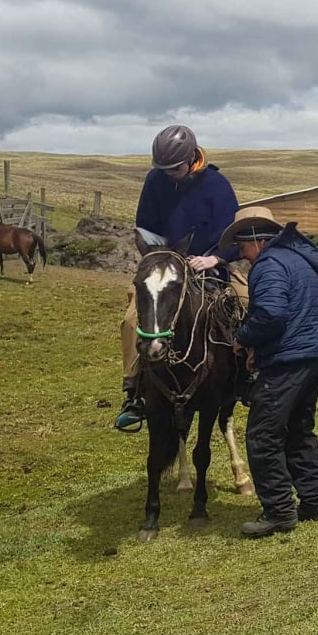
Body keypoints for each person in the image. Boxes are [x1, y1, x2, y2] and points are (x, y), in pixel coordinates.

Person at [116, 125, 241, 431]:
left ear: (191, 158)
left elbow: (235, 234)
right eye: (163, 168)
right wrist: (158, 257)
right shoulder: (155, 180)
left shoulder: (217, 184)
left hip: (210, 266)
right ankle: (133, 390)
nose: (169, 173)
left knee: (245, 299)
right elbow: (145, 227)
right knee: (132, 319)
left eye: (174, 167)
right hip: (166, 265)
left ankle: (247, 377)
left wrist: (215, 258)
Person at [225, 206, 318, 537]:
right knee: (300, 429)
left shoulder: (269, 265)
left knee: (263, 436)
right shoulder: (298, 260)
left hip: (287, 359)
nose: (242, 256)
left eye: (242, 247)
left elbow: (271, 314)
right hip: (312, 354)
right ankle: (315, 503)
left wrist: (243, 339)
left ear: (257, 240)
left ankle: (279, 511)